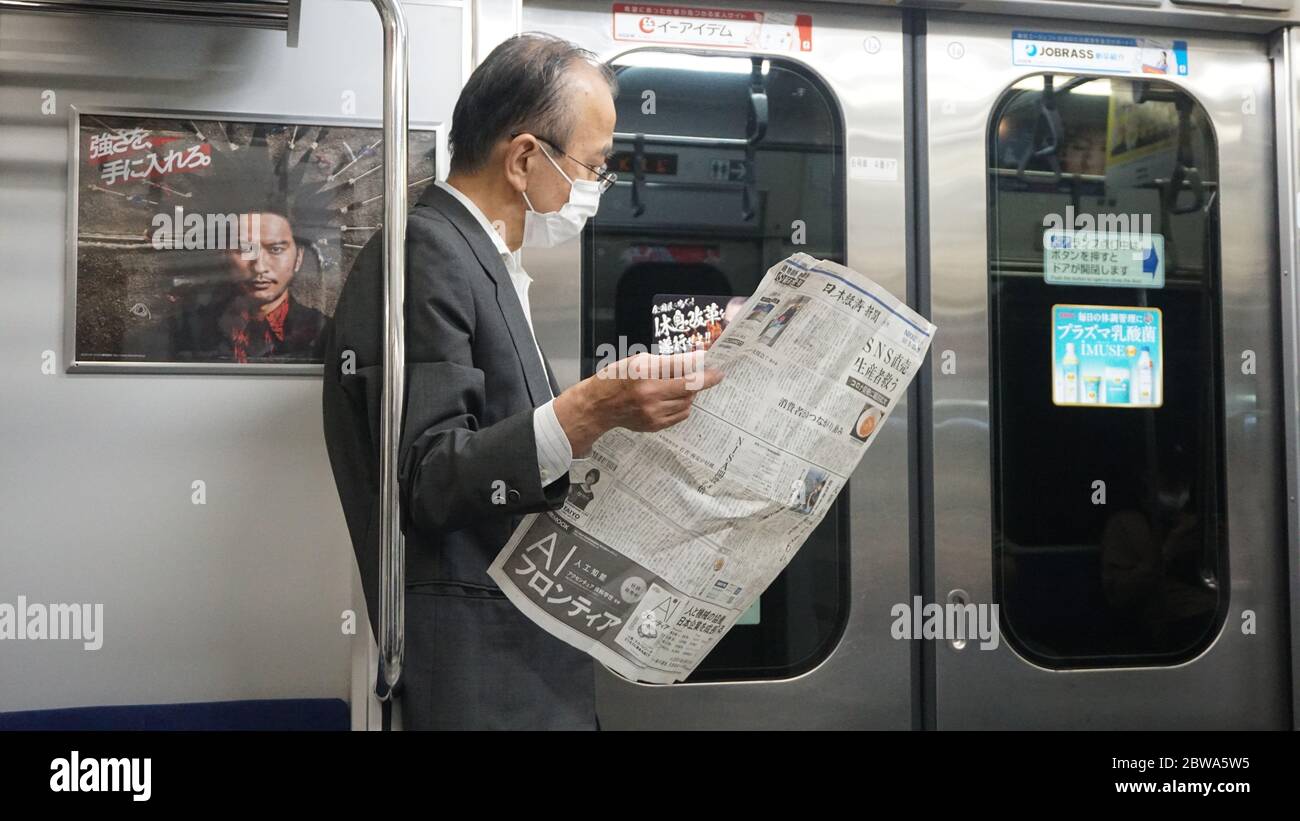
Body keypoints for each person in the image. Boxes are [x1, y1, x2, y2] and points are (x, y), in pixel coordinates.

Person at [321, 33, 722, 730]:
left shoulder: (482, 263)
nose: (597, 187)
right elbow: (429, 477)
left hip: (518, 667)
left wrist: (610, 421)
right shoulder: (430, 252)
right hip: (483, 674)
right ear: (526, 158)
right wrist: (590, 411)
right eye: (593, 167)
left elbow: (498, 453)